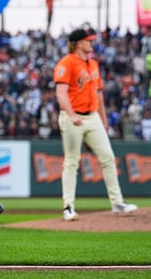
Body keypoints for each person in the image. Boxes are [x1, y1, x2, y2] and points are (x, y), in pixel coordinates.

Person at [53, 28, 138, 221]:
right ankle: (68, 207)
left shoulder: (93, 64)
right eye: (88, 40)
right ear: (78, 43)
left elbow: (99, 94)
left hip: (92, 117)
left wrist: (104, 120)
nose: (91, 43)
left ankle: (117, 202)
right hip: (72, 116)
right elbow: (61, 93)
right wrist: (72, 114)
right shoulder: (66, 63)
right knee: (72, 161)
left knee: (108, 157)